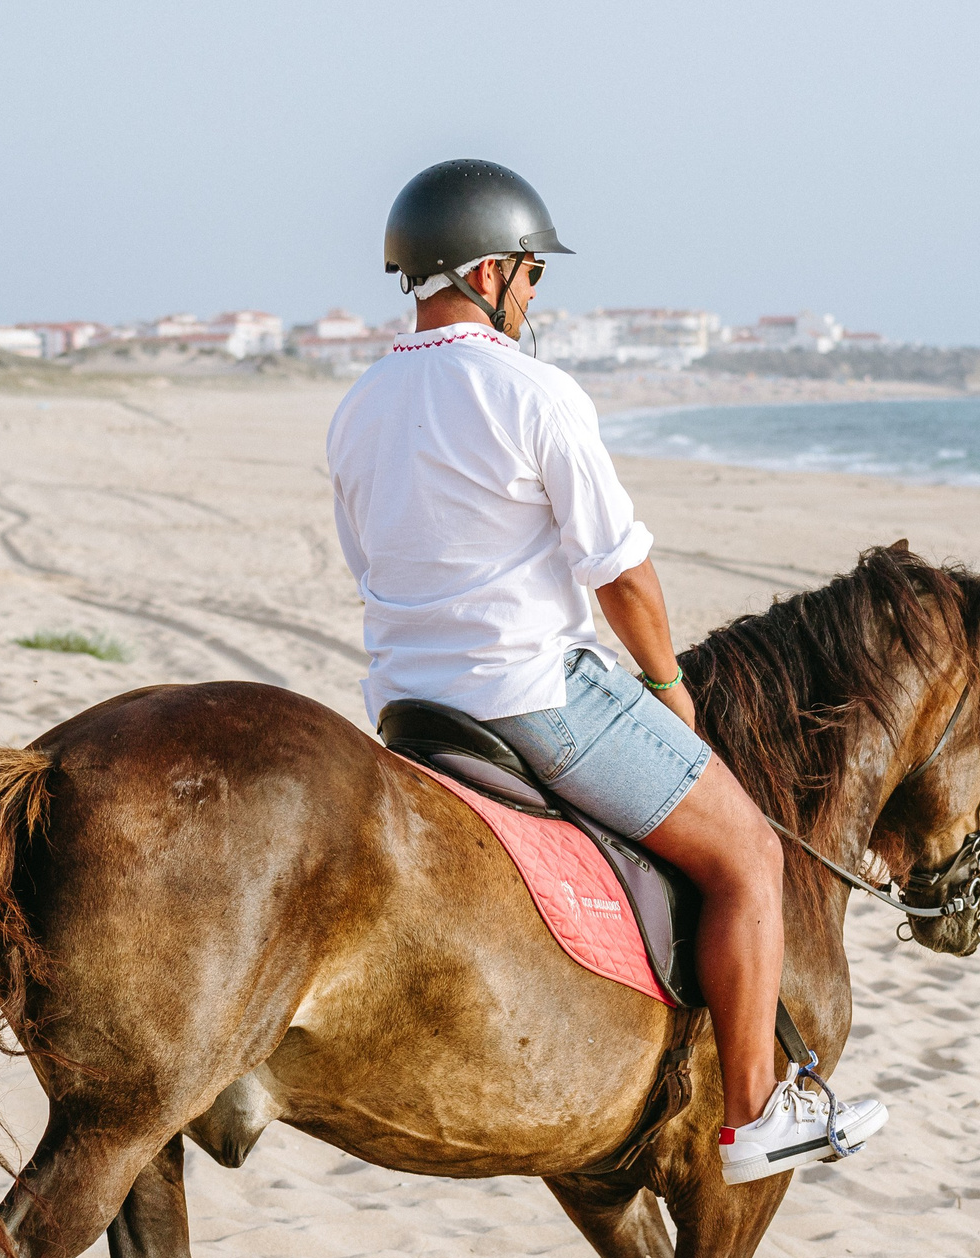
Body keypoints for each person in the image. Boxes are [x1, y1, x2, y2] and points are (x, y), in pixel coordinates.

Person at [326, 158, 883, 1185]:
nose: (536, 294)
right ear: (488, 268)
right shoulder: (532, 391)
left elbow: (369, 566)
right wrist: (670, 691)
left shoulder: (357, 407)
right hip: (534, 696)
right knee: (751, 856)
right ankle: (759, 1111)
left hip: (407, 707)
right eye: (532, 272)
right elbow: (620, 571)